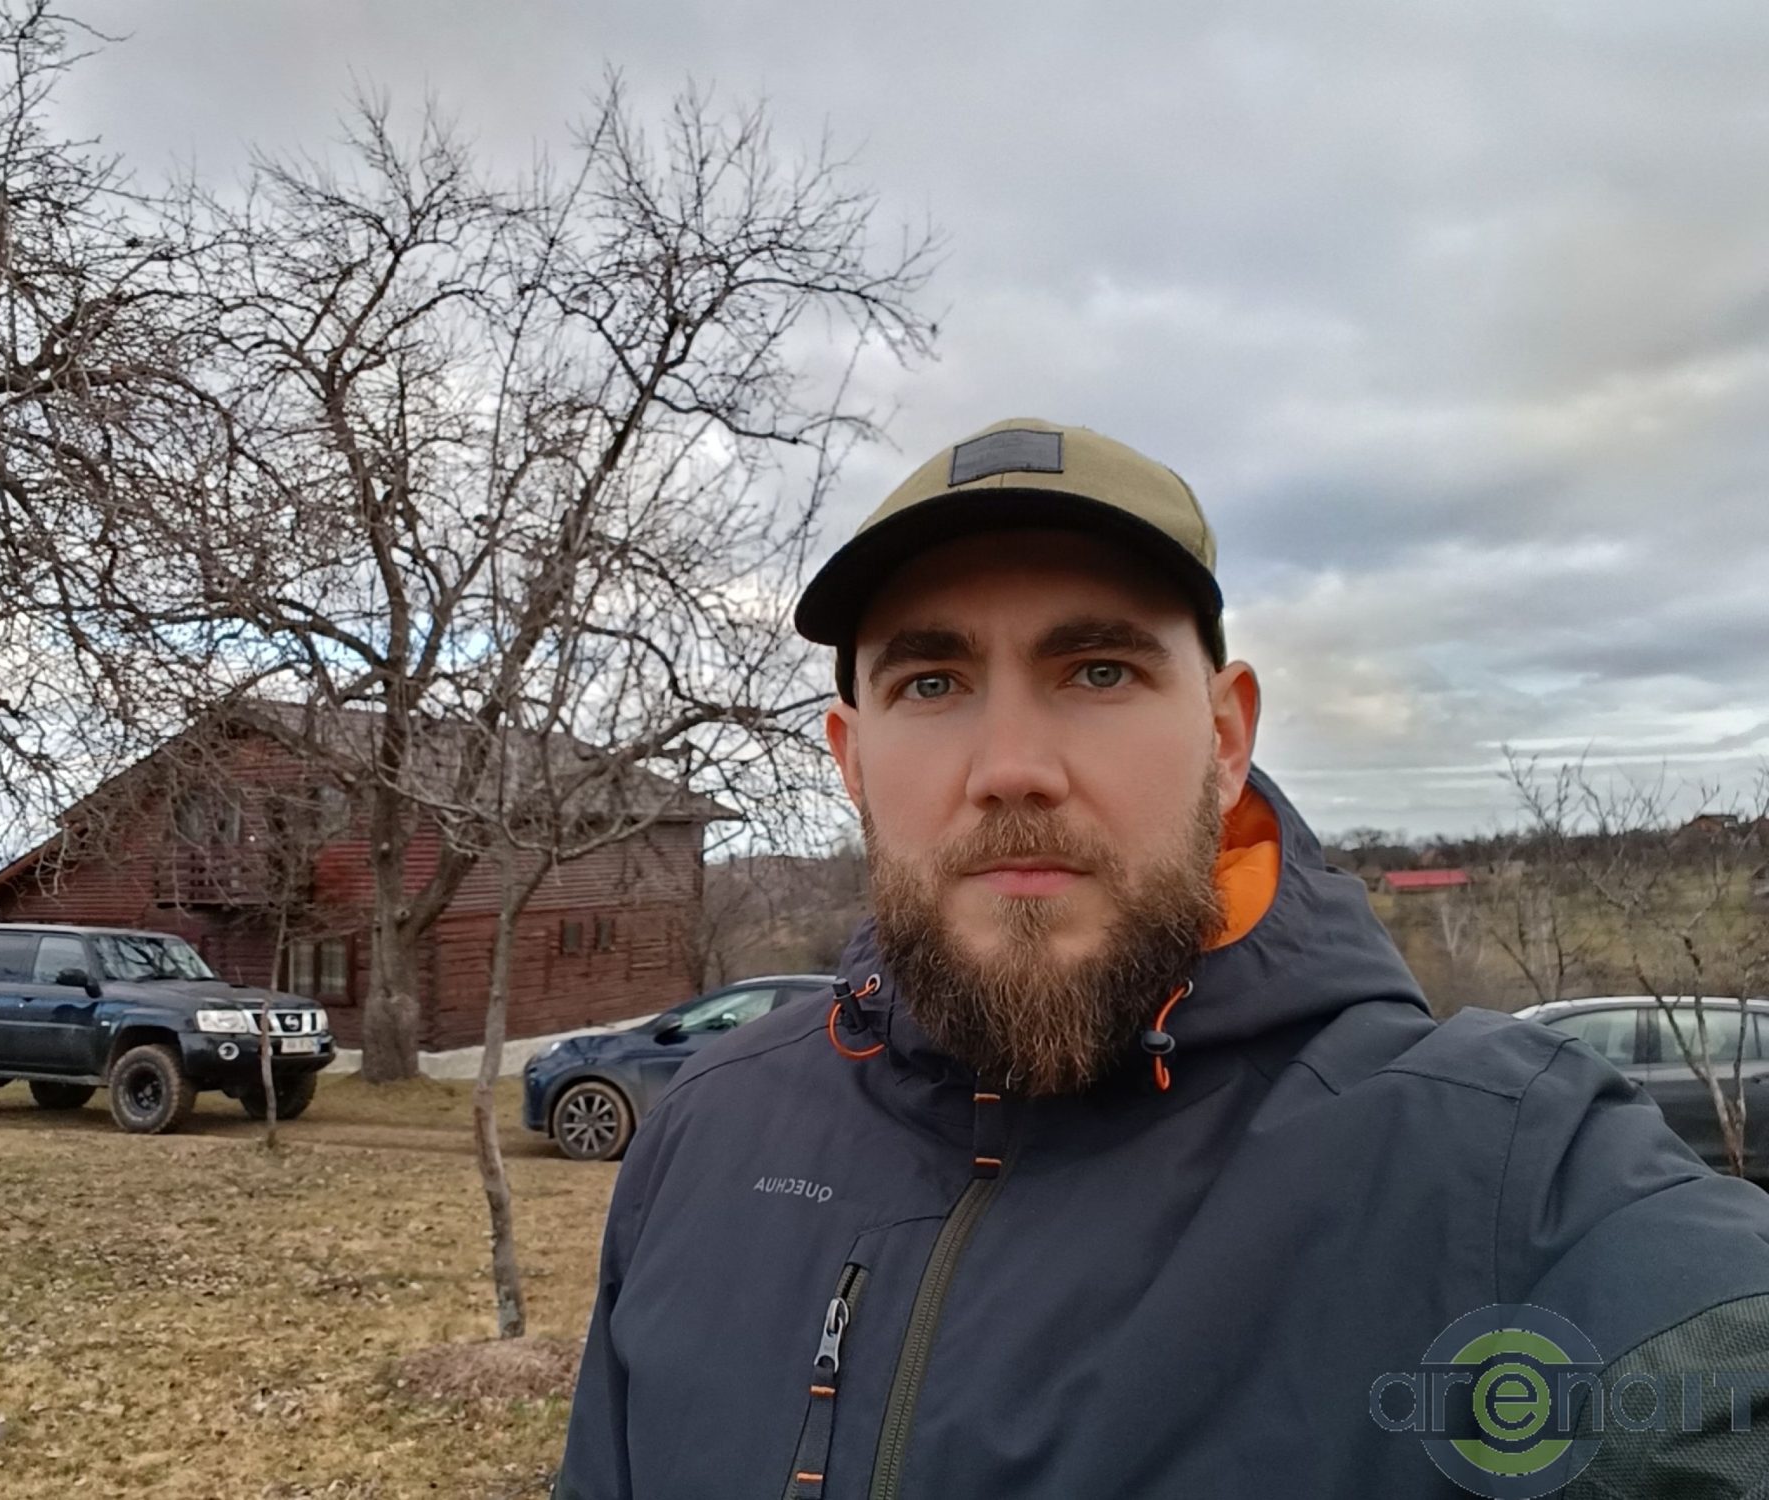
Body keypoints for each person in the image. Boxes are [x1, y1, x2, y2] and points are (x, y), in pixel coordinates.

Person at [554, 418, 1769, 1498]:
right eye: (930, 682)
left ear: (1225, 739)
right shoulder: (706, 1135)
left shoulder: (1501, 1178)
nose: (1011, 767)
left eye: (1098, 671)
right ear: (850, 760)